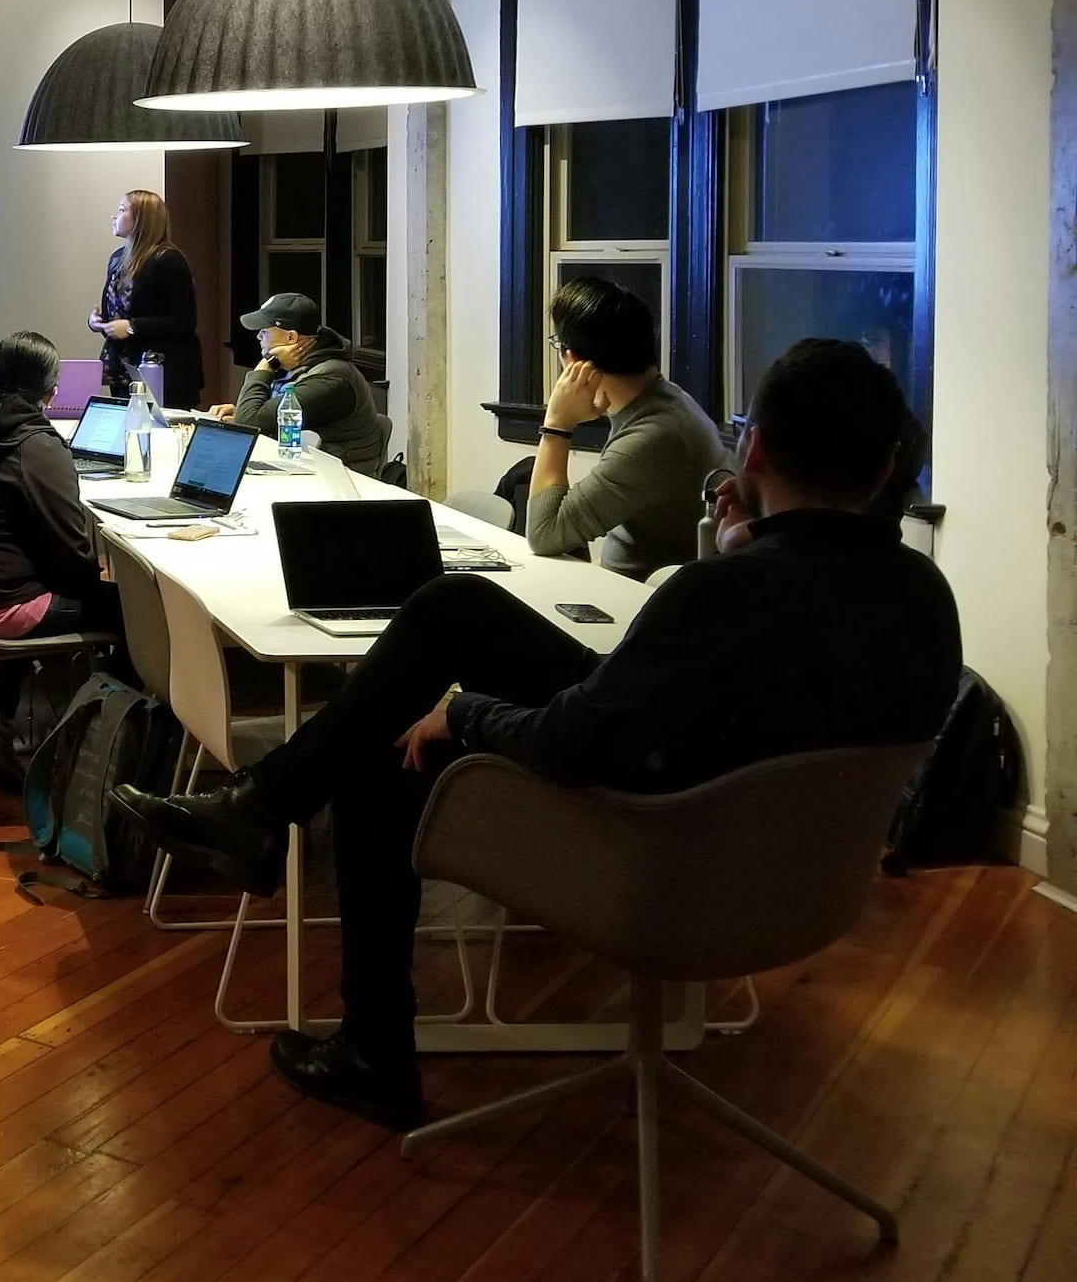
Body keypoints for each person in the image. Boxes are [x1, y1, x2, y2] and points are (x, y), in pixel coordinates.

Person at [116, 340, 961, 1132]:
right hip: (789, 871)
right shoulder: (925, 600)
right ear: (887, 468)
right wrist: (748, 548)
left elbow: (572, 744)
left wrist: (465, 714)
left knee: (394, 747)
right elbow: (764, 687)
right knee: (457, 606)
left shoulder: (720, 595)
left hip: (651, 852)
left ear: (756, 454)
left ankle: (363, 1021)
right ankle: (266, 812)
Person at [0, 331, 124, 766]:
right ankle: (102, 749)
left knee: (35, 574)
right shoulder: (34, 445)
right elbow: (76, 559)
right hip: (2, 609)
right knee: (141, 614)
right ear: (51, 391)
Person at [525, 277, 727, 579]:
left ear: (575, 360)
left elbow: (543, 534)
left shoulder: (653, 437)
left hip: (636, 604)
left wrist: (557, 424)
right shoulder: (670, 400)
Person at [228, 292, 385, 474]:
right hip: (303, 468)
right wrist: (243, 410)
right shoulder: (300, 366)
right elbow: (257, 418)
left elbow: (248, 422)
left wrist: (266, 364)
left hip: (338, 482)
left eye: (264, 331)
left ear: (290, 338)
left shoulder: (331, 379)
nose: (258, 337)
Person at [88, 189, 204, 410]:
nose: (114, 216)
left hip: (165, 370)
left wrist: (132, 327)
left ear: (141, 219)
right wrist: (98, 322)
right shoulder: (116, 259)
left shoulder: (168, 259)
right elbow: (118, 314)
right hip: (122, 366)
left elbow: (184, 321)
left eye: (122, 210)